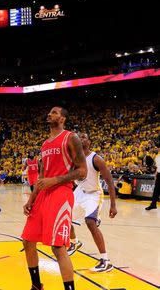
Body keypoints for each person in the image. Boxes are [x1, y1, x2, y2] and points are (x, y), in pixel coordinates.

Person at [21, 107, 87, 290]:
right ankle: (36, 285)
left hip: (61, 194)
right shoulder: (44, 144)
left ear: (63, 119)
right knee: (27, 240)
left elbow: (82, 171)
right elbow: (42, 177)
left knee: (58, 247)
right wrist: (31, 200)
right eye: (49, 112)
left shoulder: (70, 137)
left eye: (55, 113)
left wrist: (55, 180)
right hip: (43, 195)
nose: (50, 115)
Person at [67, 132, 117, 273]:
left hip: (94, 194)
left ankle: (105, 261)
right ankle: (75, 243)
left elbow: (109, 181)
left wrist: (113, 204)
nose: (81, 139)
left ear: (89, 142)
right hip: (80, 191)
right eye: (78, 138)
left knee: (90, 222)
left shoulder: (96, 159)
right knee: (65, 215)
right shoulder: (74, 158)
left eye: (84, 137)